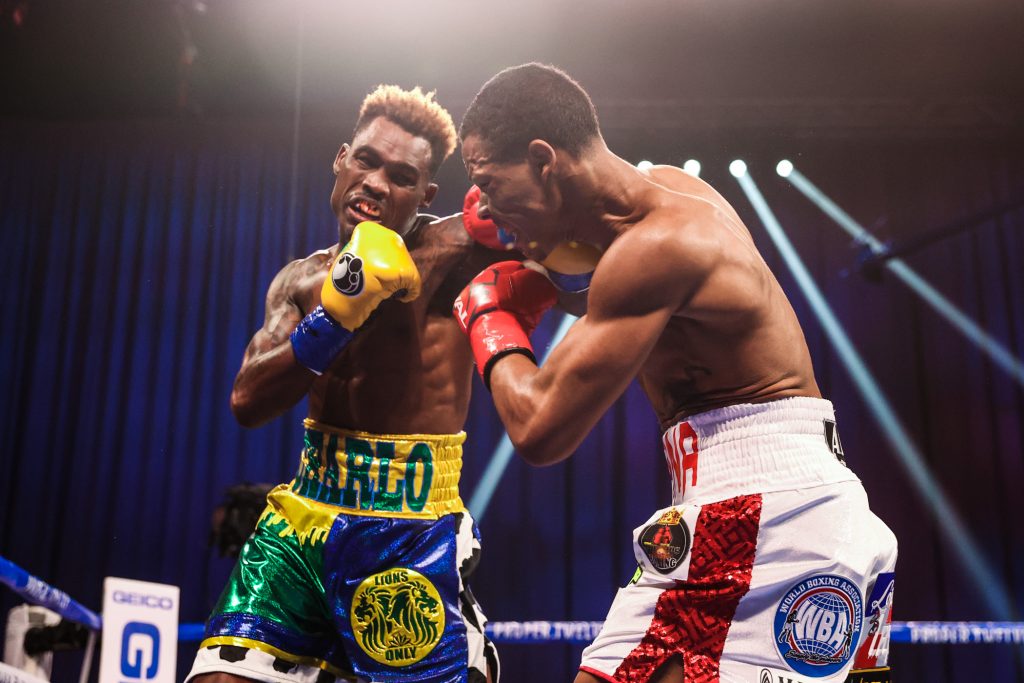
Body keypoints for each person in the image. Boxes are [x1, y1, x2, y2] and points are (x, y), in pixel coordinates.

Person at [454, 63, 898, 683]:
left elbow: (538, 429)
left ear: (543, 160)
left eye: (488, 182)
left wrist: (488, 318)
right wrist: (542, 268)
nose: (491, 214)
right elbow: (611, 294)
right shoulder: (666, 199)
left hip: (759, 514)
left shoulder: (655, 250)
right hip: (803, 499)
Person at [187, 85, 504, 683]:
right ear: (341, 159)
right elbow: (247, 402)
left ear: (425, 194)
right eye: (366, 161)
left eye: (402, 176)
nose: (378, 184)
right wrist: (335, 318)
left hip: (411, 527)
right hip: (303, 518)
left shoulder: (455, 253)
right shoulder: (301, 279)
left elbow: (584, 273)